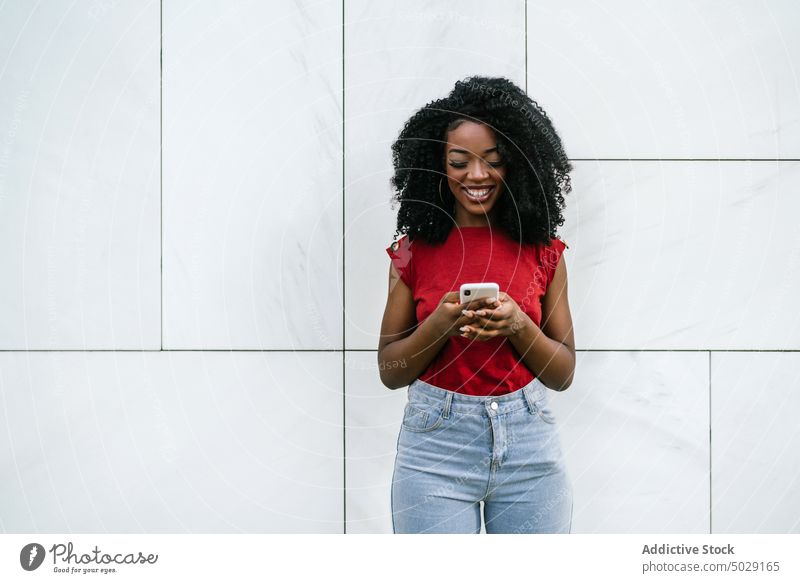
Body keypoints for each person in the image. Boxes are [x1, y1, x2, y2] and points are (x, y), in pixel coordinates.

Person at [377, 75, 576, 534]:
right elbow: (391, 371)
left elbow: (563, 373)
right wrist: (441, 326)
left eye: (493, 161)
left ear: (518, 165)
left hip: (529, 449)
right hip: (434, 455)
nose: (477, 175)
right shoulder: (413, 251)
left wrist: (518, 325)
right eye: (459, 162)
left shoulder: (544, 251)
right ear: (437, 165)